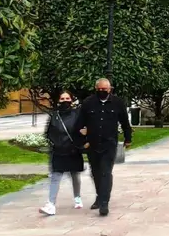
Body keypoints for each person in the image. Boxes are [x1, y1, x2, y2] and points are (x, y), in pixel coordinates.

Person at [77, 78, 132, 217]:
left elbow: (125, 122)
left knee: (106, 172)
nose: (102, 92)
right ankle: (99, 196)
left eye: (105, 89)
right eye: (100, 89)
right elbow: (79, 124)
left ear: (110, 89)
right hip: (92, 144)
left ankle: (104, 203)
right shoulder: (88, 103)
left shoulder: (118, 103)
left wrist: (127, 138)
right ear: (96, 89)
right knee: (95, 172)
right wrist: (82, 141)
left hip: (109, 144)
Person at [39, 91, 86, 216]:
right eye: (62, 98)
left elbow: (81, 130)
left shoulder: (77, 114)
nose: (65, 100)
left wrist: (81, 139)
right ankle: (51, 204)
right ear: (59, 100)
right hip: (59, 150)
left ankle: (77, 197)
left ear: (71, 99)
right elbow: (48, 132)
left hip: (73, 149)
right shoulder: (54, 115)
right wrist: (55, 143)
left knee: (75, 175)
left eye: (67, 98)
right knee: (55, 177)